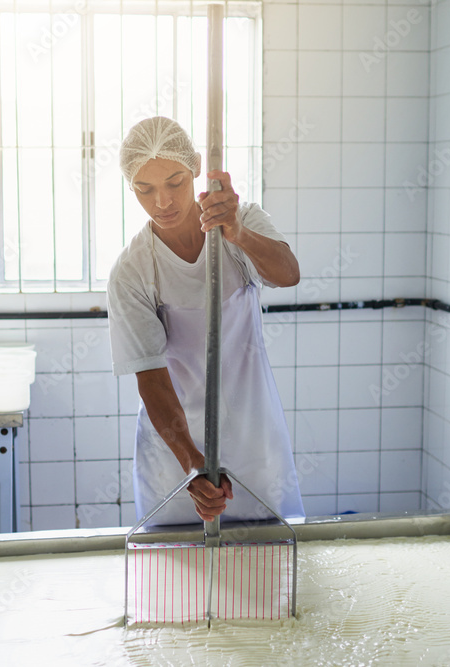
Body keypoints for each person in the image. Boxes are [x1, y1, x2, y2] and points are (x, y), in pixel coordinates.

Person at [107, 116, 305, 526]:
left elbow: (288, 274)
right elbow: (152, 379)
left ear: (196, 166)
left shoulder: (241, 222)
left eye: (175, 182)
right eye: (145, 189)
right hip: (174, 459)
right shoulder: (133, 271)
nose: (162, 202)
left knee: (267, 572)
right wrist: (193, 465)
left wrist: (237, 233)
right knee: (176, 581)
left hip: (254, 441)